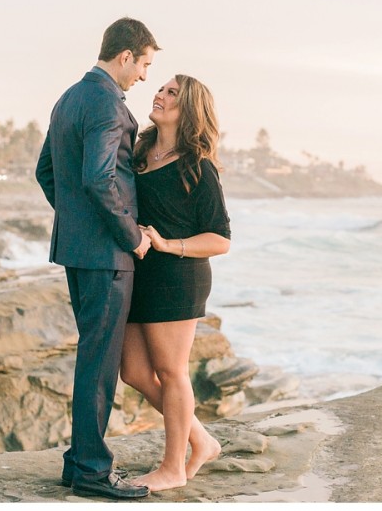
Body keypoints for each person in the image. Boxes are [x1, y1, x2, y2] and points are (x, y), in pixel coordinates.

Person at [35, 17, 160, 500]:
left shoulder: (68, 97)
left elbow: (46, 172)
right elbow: (99, 178)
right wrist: (130, 237)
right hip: (107, 253)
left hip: (77, 249)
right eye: (144, 64)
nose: (145, 77)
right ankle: (90, 469)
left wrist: (78, 224)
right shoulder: (108, 103)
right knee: (99, 362)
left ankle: (76, 462)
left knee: (92, 355)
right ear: (125, 56)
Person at [120, 74, 231, 492]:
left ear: (189, 110)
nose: (160, 95)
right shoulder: (141, 150)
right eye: (161, 89)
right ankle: (201, 440)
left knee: (171, 370)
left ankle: (173, 467)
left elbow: (220, 239)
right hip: (139, 275)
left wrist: (169, 244)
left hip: (177, 278)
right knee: (132, 371)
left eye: (172, 94)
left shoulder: (197, 165)